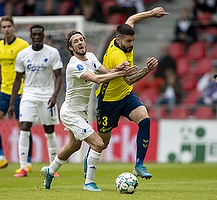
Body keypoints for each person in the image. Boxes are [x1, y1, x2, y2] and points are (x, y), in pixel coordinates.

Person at [40, 30, 138, 191]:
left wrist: (118, 69)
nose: (79, 43)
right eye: (75, 42)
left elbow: (106, 72)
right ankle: (89, 183)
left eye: (81, 40)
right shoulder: (73, 65)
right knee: (99, 144)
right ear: (71, 48)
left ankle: (50, 171)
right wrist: (122, 73)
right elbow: (98, 79)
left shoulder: (91, 57)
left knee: (74, 146)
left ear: (85, 42)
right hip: (70, 112)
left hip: (81, 112)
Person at [89, 7, 168, 181]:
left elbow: (131, 18)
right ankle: (88, 166)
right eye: (128, 41)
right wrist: (147, 69)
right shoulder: (118, 56)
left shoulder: (124, 38)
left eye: (133, 40)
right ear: (118, 40)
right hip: (108, 101)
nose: (131, 44)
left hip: (126, 96)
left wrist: (151, 13)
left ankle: (139, 164)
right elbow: (129, 80)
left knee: (145, 120)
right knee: (101, 143)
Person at [8, 24, 62, 178]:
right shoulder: (23, 54)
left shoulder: (52, 52)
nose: (37, 37)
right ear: (30, 36)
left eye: (40, 34)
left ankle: (53, 167)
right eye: (34, 34)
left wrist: (54, 95)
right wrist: (12, 103)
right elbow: (17, 79)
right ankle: (23, 167)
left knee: (49, 131)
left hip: (47, 96)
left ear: (43, 35)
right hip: (29, 95)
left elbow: (59, 75)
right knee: (24, 128)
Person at [0, 15, 33, 173]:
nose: (6, 29)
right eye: (3, 27)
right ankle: (0, 158)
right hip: (4, 92)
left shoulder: (23, 45)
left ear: (13, 27)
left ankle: (28, 163)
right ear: (1, 29)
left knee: (23, 127)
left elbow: (31, 66)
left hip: (20, 92)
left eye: (8, 26)